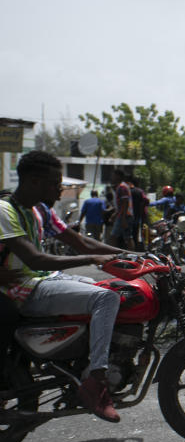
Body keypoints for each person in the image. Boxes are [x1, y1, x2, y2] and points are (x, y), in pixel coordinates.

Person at [0, 151, 123, 422]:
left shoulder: (39, 210)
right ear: (34, 181)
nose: (60, 189)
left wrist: (129, 256)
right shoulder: (4, 210)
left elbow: (79, 241)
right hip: (20, 289)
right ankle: (96, 379)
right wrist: (93, 258)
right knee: (106, 298)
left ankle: (72, 361)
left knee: (97, 284)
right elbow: (35, 258)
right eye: (55, 183)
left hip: (40, 280)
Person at [108, 169, 134, 250]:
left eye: (113, 175)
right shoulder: (122, 186)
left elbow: (125, 203)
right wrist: (115, 214)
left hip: (125, 216)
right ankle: (132, 254)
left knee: (113, 237)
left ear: (118, 176)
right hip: (125, 215)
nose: (112, 177)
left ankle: (111, 254)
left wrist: (122, 218)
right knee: (128, 237)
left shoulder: (122, 187)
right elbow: (121, 205)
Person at [130, 177, 147, 251]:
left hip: (129, 215)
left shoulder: (129, 191)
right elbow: (146, 200)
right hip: (138, 215)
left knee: (129, 233)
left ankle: (131, 248)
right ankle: (136, 248)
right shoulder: (140, 191)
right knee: (136, 232)